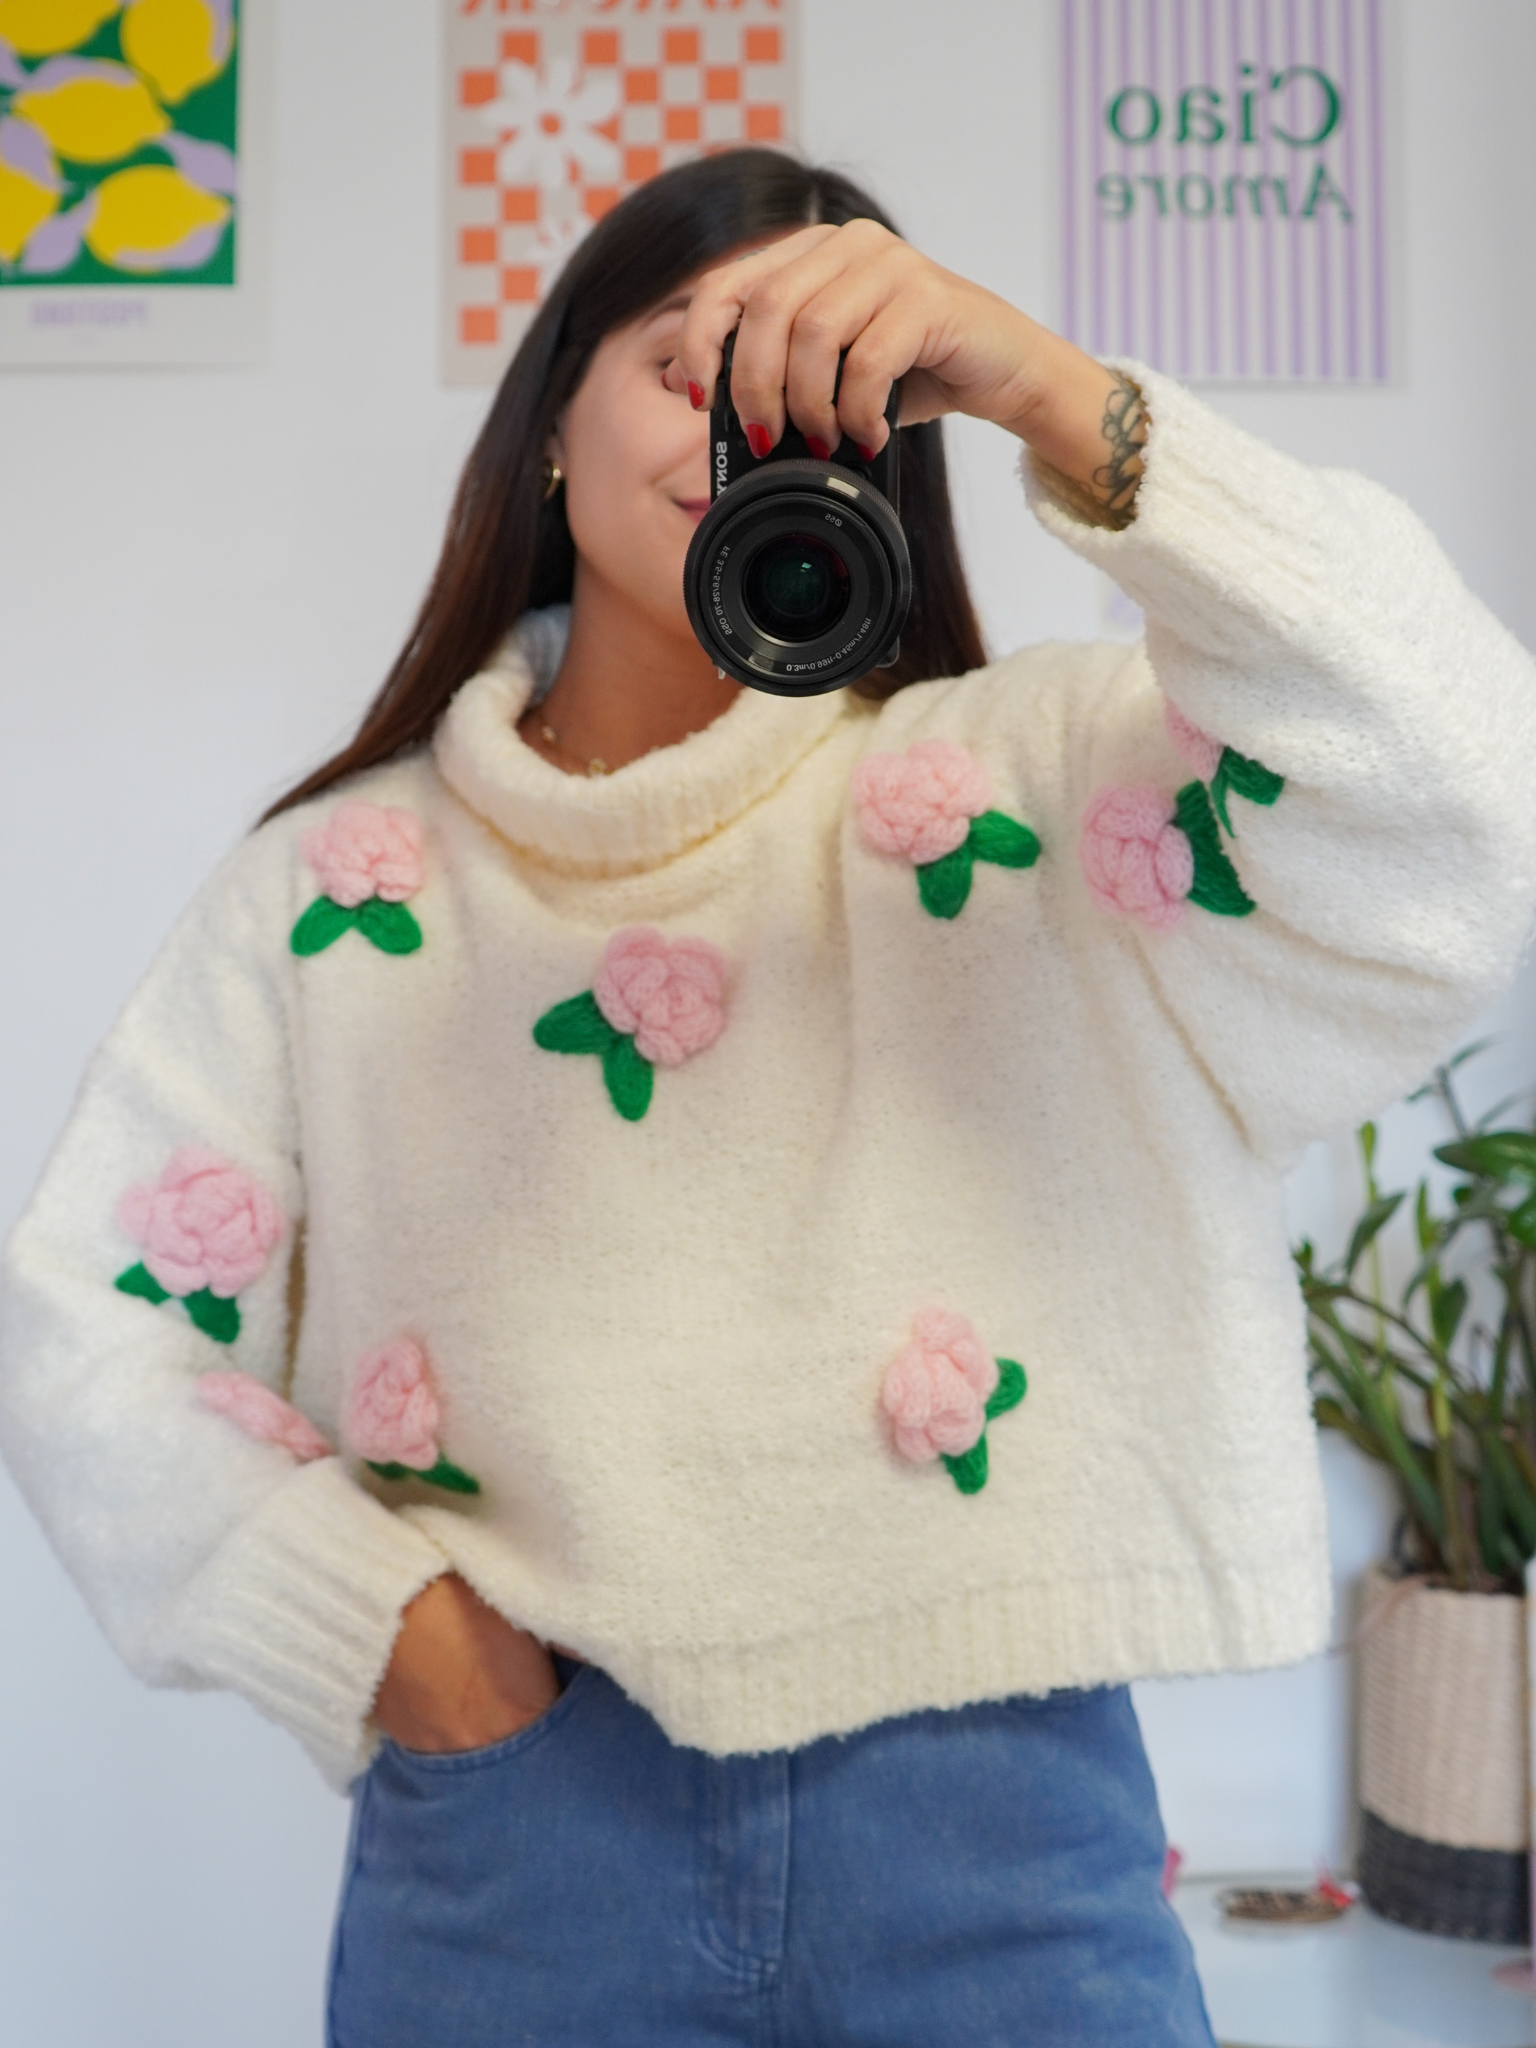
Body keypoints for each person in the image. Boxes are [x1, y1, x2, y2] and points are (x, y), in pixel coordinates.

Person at [3, 144, 1534, 2048]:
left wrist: (1060, 396)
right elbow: (94, 1321)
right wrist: (390, 1635)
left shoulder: (1033, 790)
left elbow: (1465, 810)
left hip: (999, 1819)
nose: (737, 433)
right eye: (685, 366)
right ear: (547, 428)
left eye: (819, 388)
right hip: (519, 1837)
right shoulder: (339, 888)